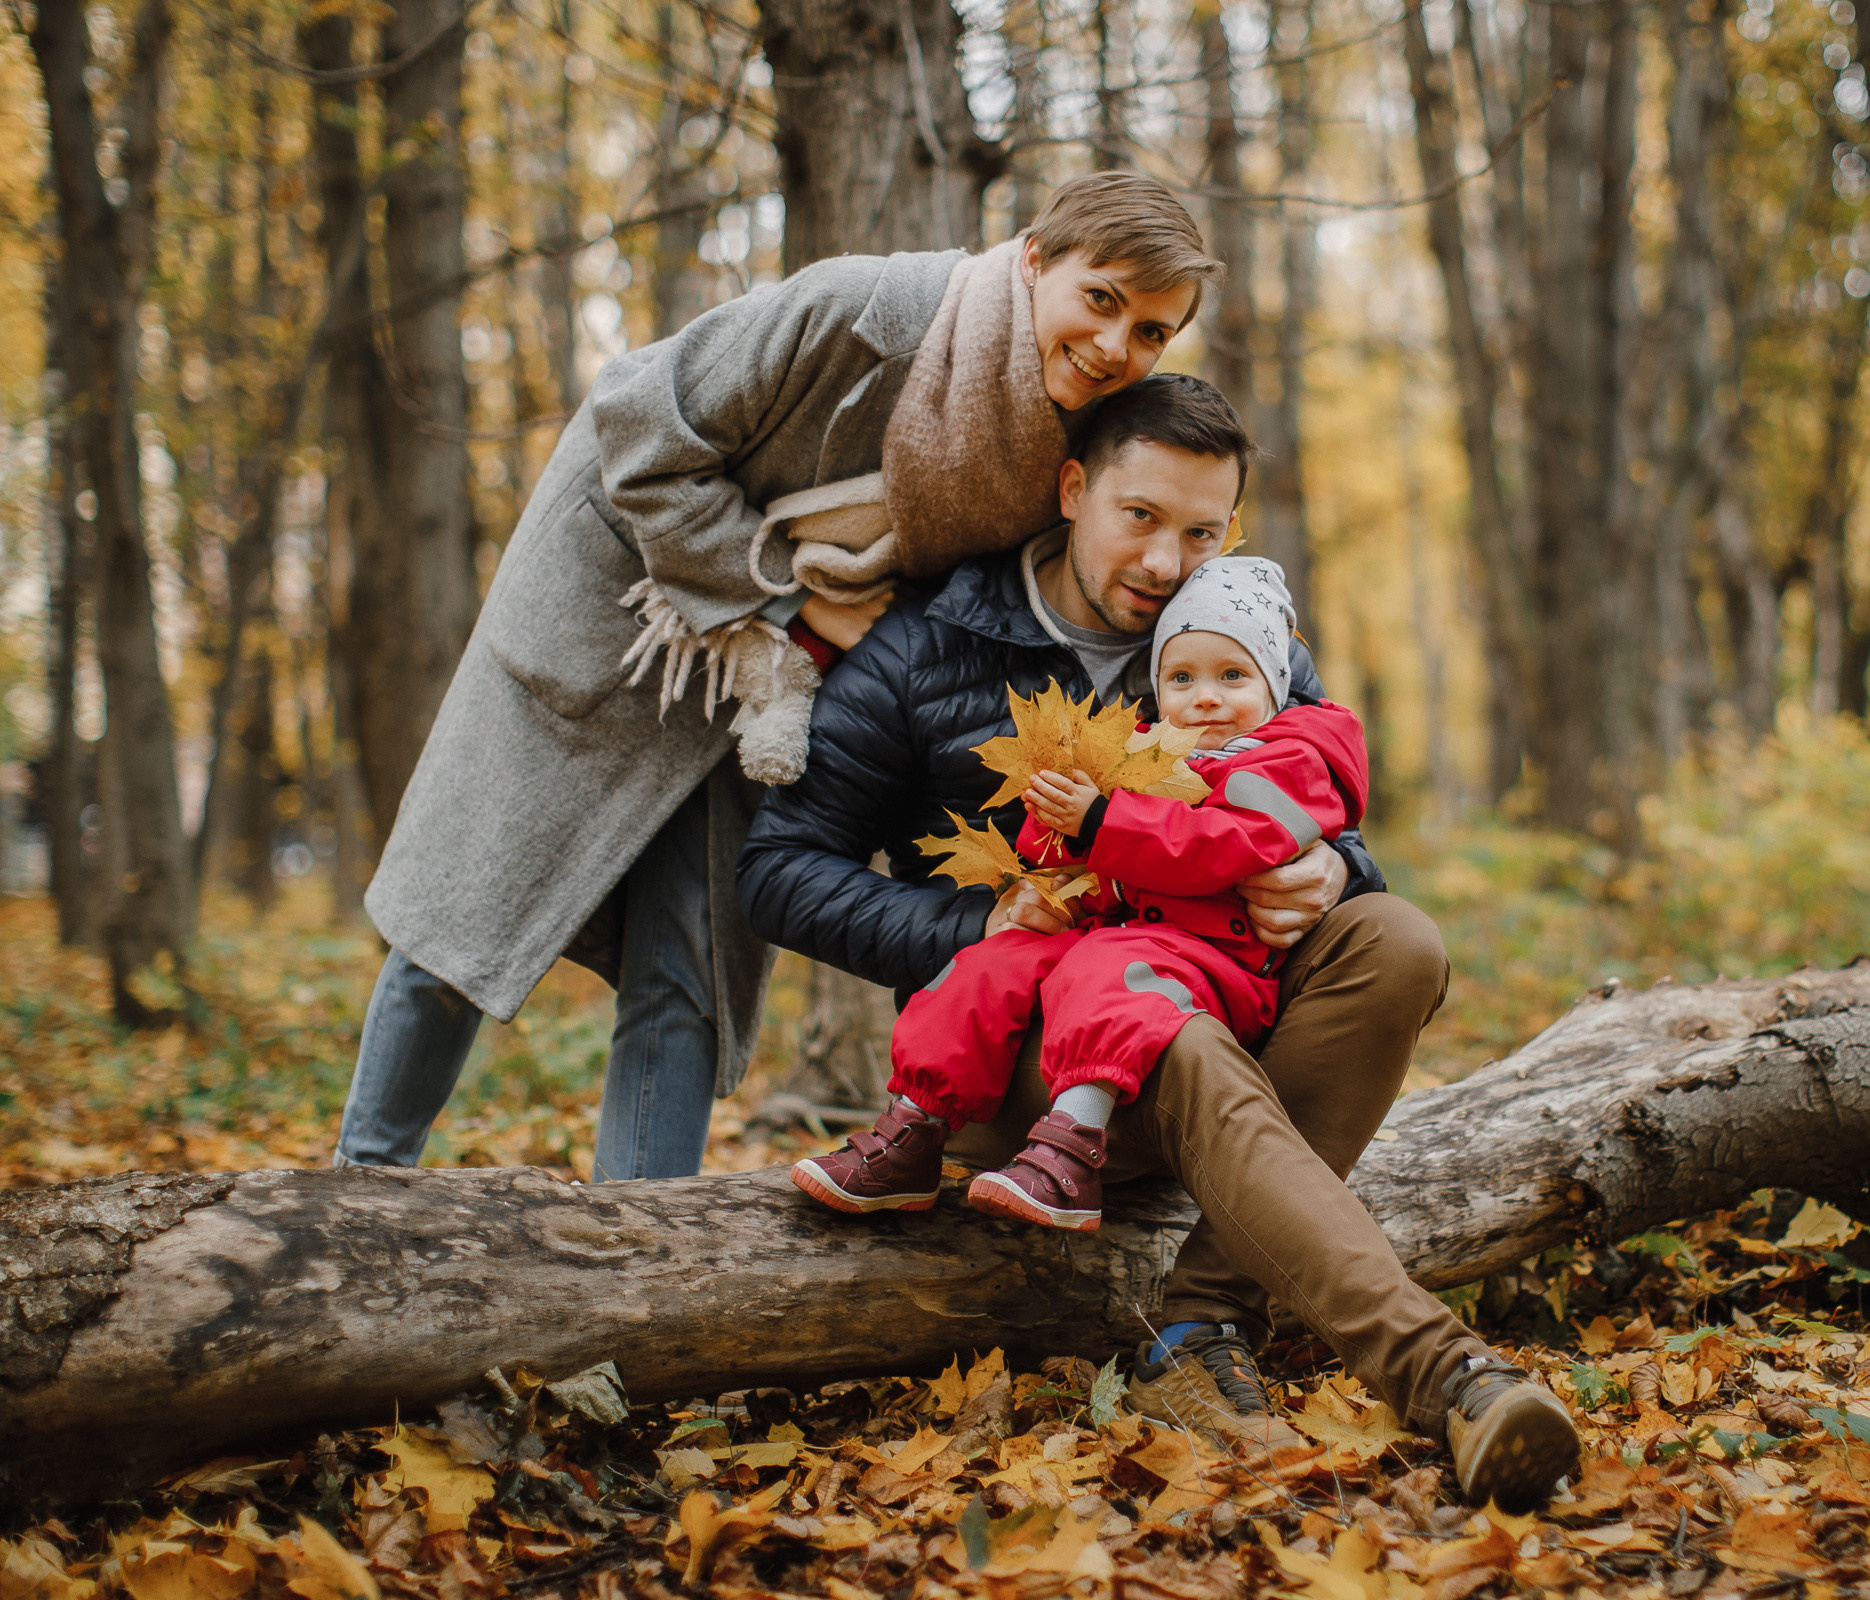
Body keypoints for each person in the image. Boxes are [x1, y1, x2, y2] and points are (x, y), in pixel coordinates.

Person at [739, 373, 1582, 1512]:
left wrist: (1338, 872)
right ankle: (1445, 1376)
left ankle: (1196, 1321)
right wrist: (973, 920)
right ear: (1075, 489)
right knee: (1161, 1022)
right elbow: (777, 871)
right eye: (1139, 517)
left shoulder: (1237, 634)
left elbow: (1309, 807)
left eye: (1199, 530)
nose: (1163, 559)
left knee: (1398, 940)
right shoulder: (923, 648)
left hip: (1214, 984)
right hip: (1021, 1056)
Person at [333, 173, 1221, 1180]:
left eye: (1151, 331)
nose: (1116, 346)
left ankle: (642, 1269)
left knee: (692, 966)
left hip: (779, 691)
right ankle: (353, 1198)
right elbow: (636, 420)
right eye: (1100, 299)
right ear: (1032, 260)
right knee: (465, 915)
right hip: (627, 616)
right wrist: (785, 602)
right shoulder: (867, 310)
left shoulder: (1072, 441)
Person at [791, 557, 1368, 1233]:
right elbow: (1077, 854)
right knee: (989, 962)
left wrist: (1100, 822)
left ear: (1274, 684)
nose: (1205, 696)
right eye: (1182, 678)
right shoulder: (1147, 752)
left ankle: (1070, 1149)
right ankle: (914, 1126)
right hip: (1113, 930)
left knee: (1107, 976)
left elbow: (1217, 850)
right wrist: (1057, 828)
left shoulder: (1290, 760)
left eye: (1231, 676)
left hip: (1212, 958)